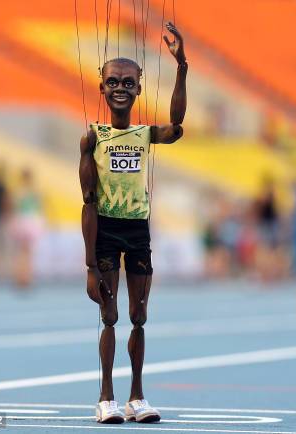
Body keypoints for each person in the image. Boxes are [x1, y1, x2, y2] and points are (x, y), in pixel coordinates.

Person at [79, 22, 187, 424]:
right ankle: (106, 397)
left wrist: (182, 68)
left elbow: (176, 127)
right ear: (102, 88)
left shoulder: (145, 134)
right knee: (109, 316)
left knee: (139, 317)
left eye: (128, 82)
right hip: (105, 229)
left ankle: (136, 397)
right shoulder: (92, 137)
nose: (120, 88)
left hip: (138, 229)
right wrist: (90, 265)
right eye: (113, 81)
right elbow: (88, 202)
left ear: (140, 88)